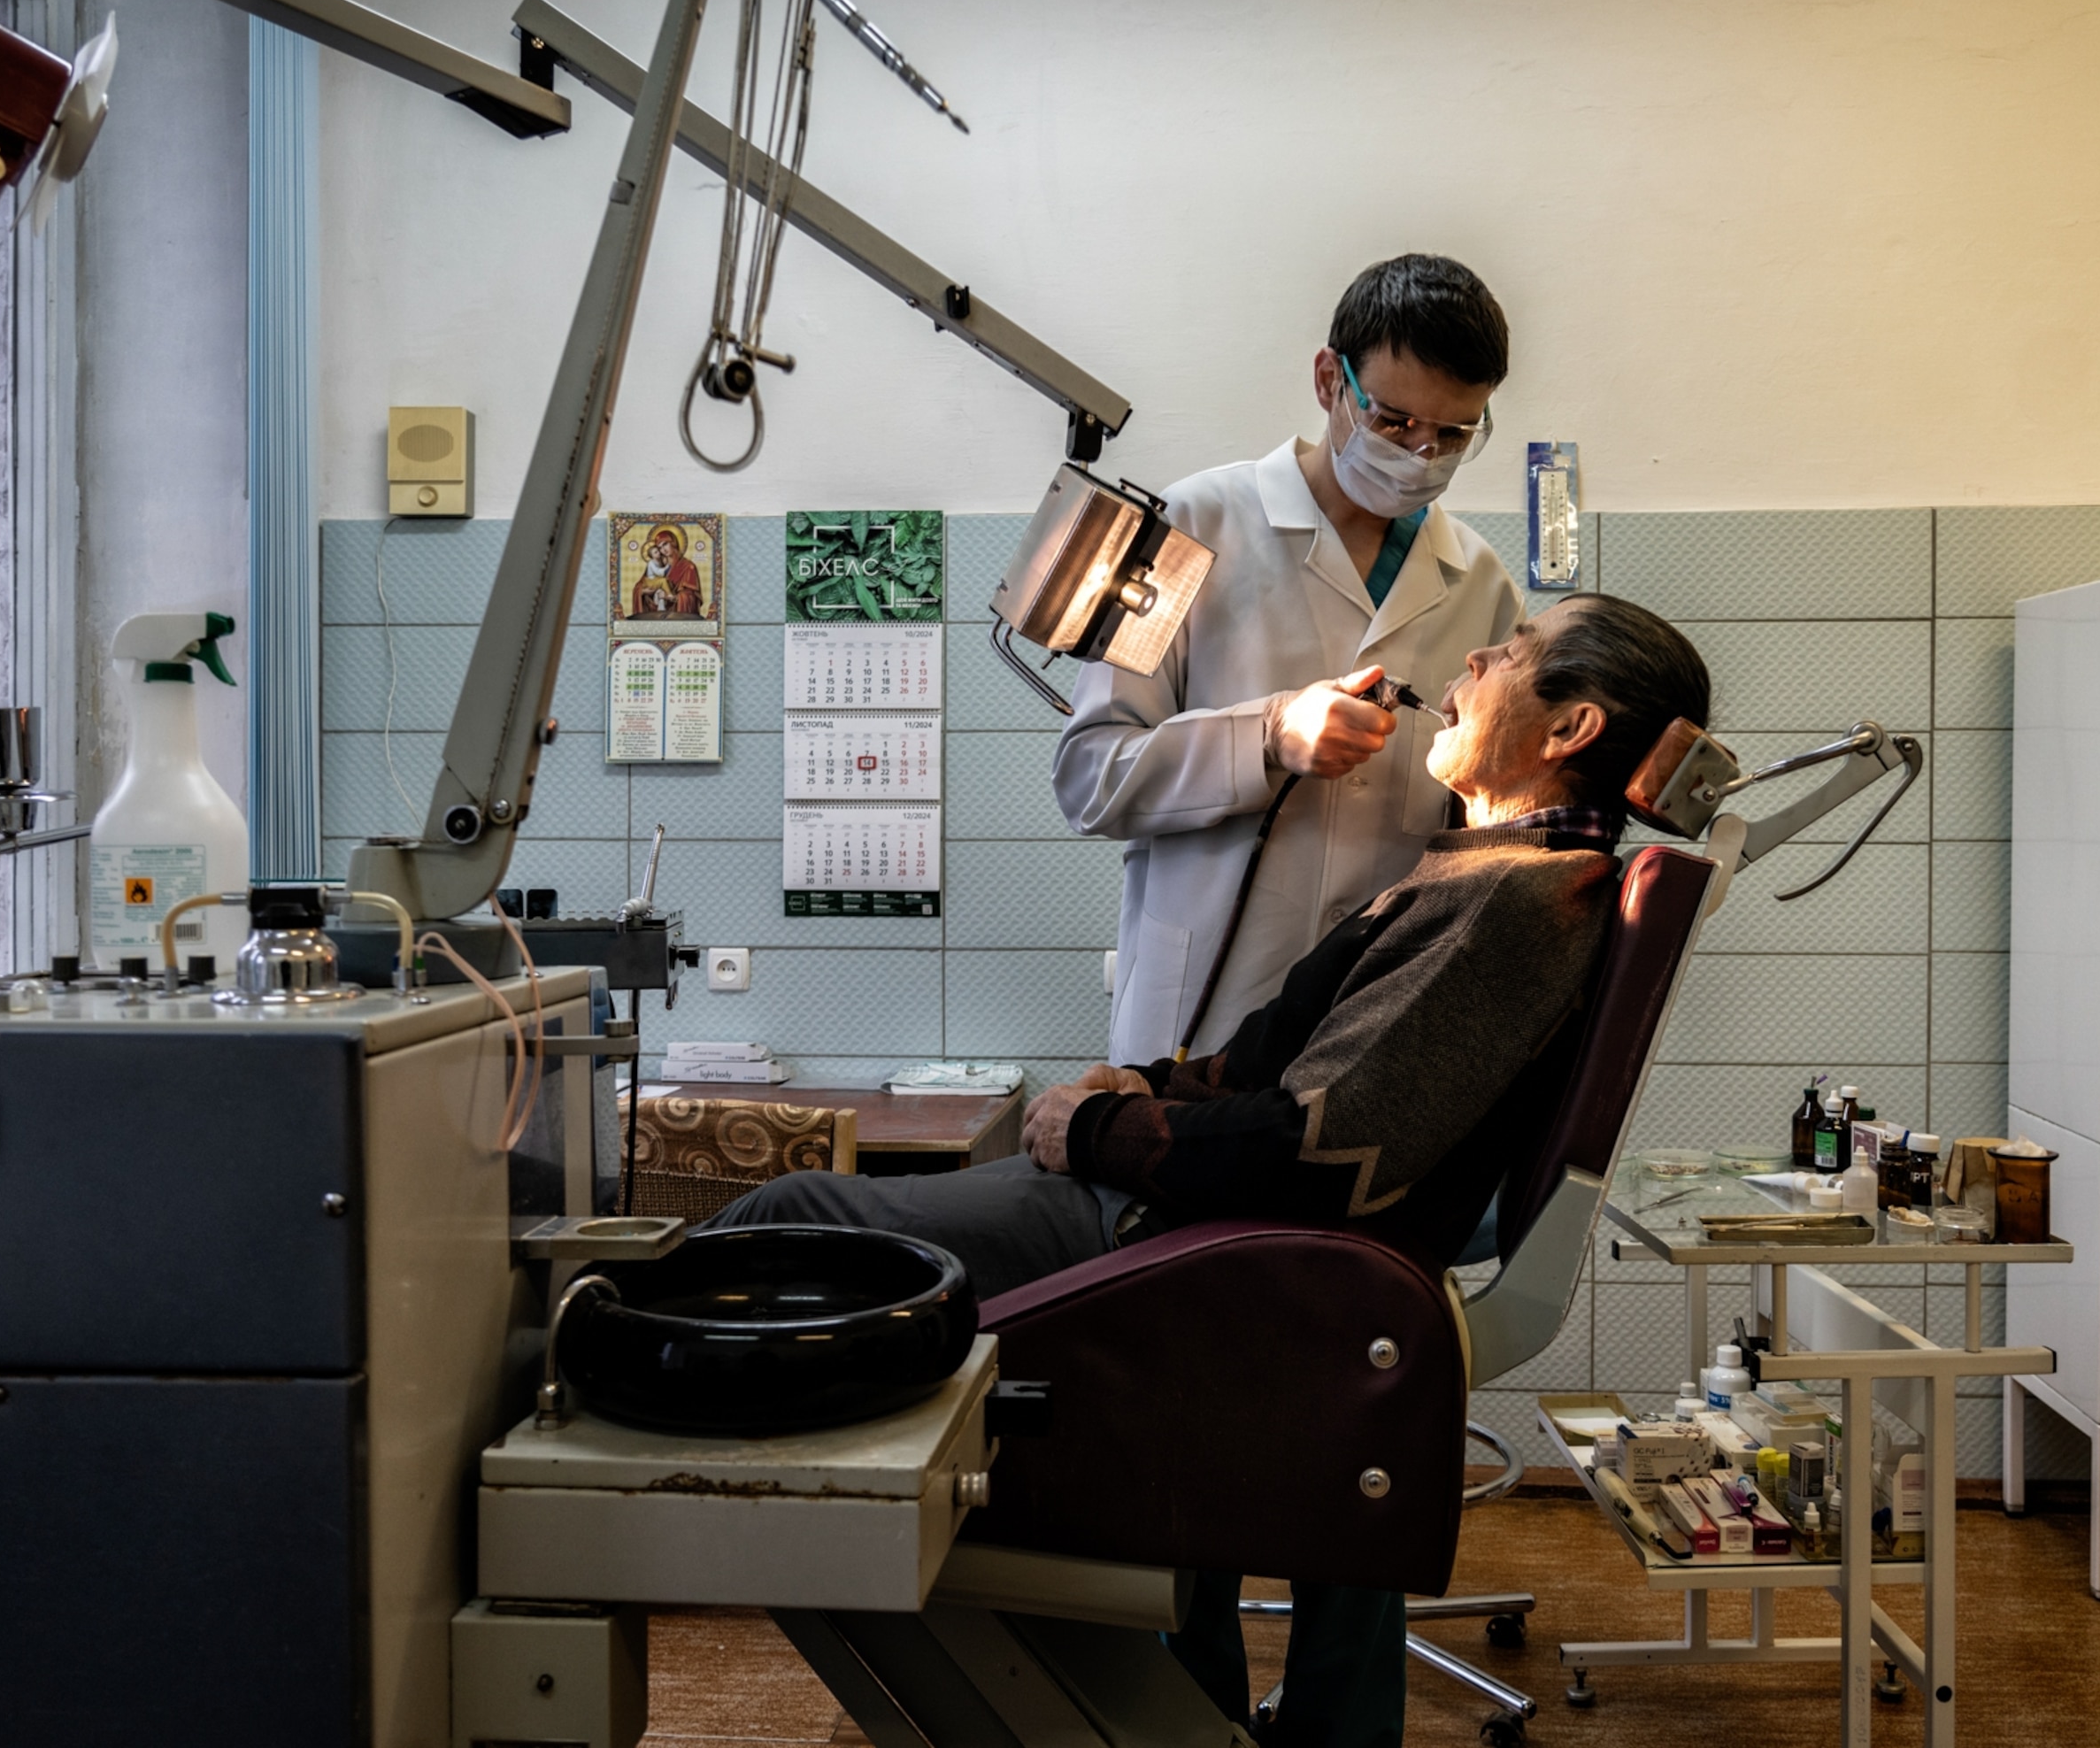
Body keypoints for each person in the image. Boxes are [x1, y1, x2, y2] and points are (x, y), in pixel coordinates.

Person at [719, 595, 1712, 1746]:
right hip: (1190, 1213)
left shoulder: (1522, 900)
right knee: (810, 1225)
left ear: (1570, 728)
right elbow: (1272, 1067)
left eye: (1515, 652)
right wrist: (1140, 1088)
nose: (1477, 656)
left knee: (783, 1221)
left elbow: (1316, 1151)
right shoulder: (1473, 869)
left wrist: (1089, 1136)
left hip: (1192, 1244)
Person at [1057, 254, 1526, 1070]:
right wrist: (1267, 736)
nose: (1420, 454)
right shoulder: (1188, 527)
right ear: (1327, 380)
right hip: (1200, 1010)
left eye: (1452, 435)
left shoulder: (1480, 584)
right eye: (1392, 421)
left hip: (1369, 1032)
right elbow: (1091, 778)